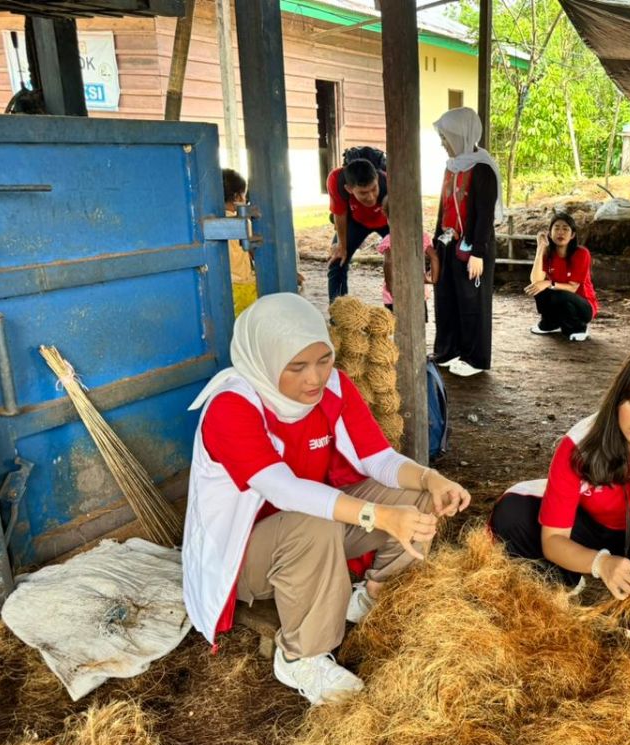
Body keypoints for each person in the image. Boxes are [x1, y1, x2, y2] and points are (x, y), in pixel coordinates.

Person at [182, 293, 471, 705]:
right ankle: (301, 656)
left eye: (323, 360)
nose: (314, 378)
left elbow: (378, 458)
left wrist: (430, 477)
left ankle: (371, 597)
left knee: (416, 497)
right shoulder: (231, 407)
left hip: (312, 534)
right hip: (245, 556)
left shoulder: (333, 387)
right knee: (312, 521)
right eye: (296, 367)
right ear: (263, 360)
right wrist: (378, 515)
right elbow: (283, 489)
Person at [490, 344, 630, 637]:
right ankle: (566, 573)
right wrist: (600, 563)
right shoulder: (579, 445)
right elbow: (554, 538)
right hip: (592, 526)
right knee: (512, 515)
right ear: (617, 397)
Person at [431, 107, 502, 378]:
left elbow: (484, 214)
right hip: (448, 244)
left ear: (461, 136)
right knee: (446, 297)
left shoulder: (482, 169)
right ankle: (448, 350)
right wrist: (436, 245)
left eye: (446, 138)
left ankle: (475, 357)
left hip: (473, 246)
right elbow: (444, 207)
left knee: (472, 301)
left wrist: (478, 253)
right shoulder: (451, 166)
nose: (443, 144)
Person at [526, 212, 597, 342]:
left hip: (583, 307)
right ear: (550, 233)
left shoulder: (581, 253)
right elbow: (535, 281)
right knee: (538, 288)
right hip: (561, 302)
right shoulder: (549, 254)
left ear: (573, 235)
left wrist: (549, 283)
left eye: (565, 229)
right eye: (556, 228)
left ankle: (579, 328)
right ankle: (550, 323)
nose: (561, 232)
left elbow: (573, 288)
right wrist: (540, 249)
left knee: (559, 294)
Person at [327, 157, 389, 303]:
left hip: (387, 219)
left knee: (401, 261)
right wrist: (341, 246)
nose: (371, 196)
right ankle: (340, 315)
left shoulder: (389, 180)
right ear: (349, 189)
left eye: (374, 189)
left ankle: (397, 313)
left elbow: (399, 216)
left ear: (377, 179)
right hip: (355, 220)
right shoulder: (336, 180)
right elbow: (339, 213)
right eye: (363, 193)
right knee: (337, 261)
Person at [376, 197, 438, 314]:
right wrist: (432, 279)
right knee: (418, 325)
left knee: (396, 327)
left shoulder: (389, 240)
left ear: (388, 217)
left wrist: (391, 288)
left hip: (394, 297)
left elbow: (388, 262)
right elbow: (434, 257)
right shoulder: (422, 237)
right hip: (418, 292)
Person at [222, 168, 258, 317]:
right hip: (244, 284)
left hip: (227, 284)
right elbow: (253, 251)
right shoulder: (241, 223)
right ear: (236, 197)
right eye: (243, 195)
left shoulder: (215, 220)